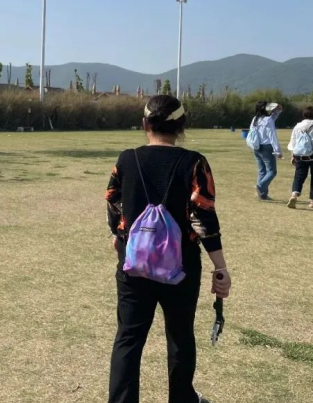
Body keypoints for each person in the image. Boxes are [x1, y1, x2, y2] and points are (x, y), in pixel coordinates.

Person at [105, 95, 231, 403]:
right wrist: (220, 267)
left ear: (145, 124)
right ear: (181, 127)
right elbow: (203, 217)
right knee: (180, 336)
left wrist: (118, 233)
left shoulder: (127, 159)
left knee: (129, 337)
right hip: (181, 266)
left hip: (134, 263)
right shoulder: (194, 162)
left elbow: (113, 200)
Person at [250, 100, 283, 200]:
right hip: (267, 147)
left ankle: (263, 195)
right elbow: (272, 136)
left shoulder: (255, 119)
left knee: (262, 171)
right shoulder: (268, 120)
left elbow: (276, 114)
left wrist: (277, 108)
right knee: (272, 171)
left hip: (256, 147)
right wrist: (277, 151)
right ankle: (260, 187)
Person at [286, 106, 313, 209]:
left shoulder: (297, 126)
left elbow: (293, 142)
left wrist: (292, 156)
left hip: (299, 155)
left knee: (299, 176)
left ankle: (294, 195)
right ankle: (312, 201)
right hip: (311, 155)